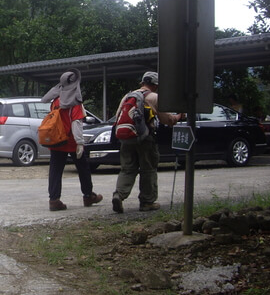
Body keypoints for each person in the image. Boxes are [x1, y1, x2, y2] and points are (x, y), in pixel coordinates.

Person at [112, 72, 182, 213]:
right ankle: (147, 202)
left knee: (127, 169)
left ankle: (119, 195)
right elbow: (167, 120)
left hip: (127, 138)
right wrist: (179, 116)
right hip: (145, 139)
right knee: (148, 169)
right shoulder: (154, 97)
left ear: (142, 83)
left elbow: (117, 117)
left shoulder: (127, 97)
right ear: (156, 85)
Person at [41, 69, 103, 211]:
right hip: (71, 142)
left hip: (56, 140)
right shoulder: (74, 102)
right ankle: (88, 195)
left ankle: (54, 200)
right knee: (83, 168)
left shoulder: (55, 100)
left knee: (55, 170)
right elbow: (76, 123)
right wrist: (80, 142)